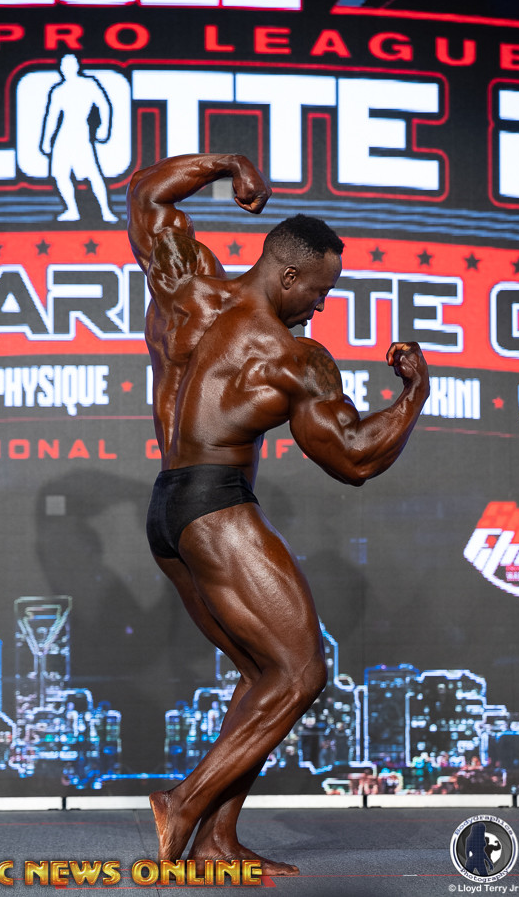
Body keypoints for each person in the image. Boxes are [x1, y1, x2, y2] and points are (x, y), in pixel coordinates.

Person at [127, 153, 429, 875]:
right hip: (216, 507)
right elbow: (354, 459)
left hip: (167, 510)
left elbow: (147, 197)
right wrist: (414, 394)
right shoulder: (291, 356)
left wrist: (230, 166)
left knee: (261, 672)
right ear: (289, 276)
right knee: (301, 672)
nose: (320, 308)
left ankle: (217, 841)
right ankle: (182, 804)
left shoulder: (188, 289)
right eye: (320, 293)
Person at [40, 54, 118, 224]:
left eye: (70, 65)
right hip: (63, 137)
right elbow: (52, 116)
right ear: (61, 69)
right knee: (60, 174)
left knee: (93, 174)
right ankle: (72, 210)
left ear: (76, 66)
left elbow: (104, 105)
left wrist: (104, 127)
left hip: (81, 135)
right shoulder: (59, 90)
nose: (67, 69)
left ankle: (106, 211)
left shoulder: (88, 84)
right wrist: (46, 140)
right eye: (64, 66)